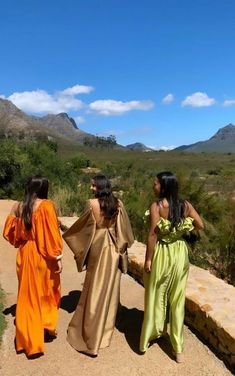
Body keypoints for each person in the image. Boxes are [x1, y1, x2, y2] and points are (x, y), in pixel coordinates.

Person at [63, 175, 134, 356]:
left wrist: (76, 245)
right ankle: (104, 330)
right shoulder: (118, 204)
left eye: (93, 185)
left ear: (99, 187)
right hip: (114, 250)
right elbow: (125, 230)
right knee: (109, 288)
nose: (91, 188)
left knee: (93, 286)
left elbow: (84, 230)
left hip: (98, 246)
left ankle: (89, 333)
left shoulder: (92, 204)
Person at [139, 171, 204, 363]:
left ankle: (150, 336)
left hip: (162, 252)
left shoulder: (157, 206)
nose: (153, 186)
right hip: (180, 254)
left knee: (155, 294)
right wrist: (181, 230)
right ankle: (178, 348)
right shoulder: (185, 205)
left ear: (164, 186)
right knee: (177, 299)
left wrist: (148, 260)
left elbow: (152, 235)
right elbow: (200, 225)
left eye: (156, 183)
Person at [3, 176, 63, 358]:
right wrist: (58, 257)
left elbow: (8, 232)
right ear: (44, 189)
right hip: (41, 256)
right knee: (45, 291)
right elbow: (52, 233)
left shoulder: (19, 206)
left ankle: (26, 337)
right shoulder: (46, 206)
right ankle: (43, 328)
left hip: (25, 253)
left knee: (27, 294)